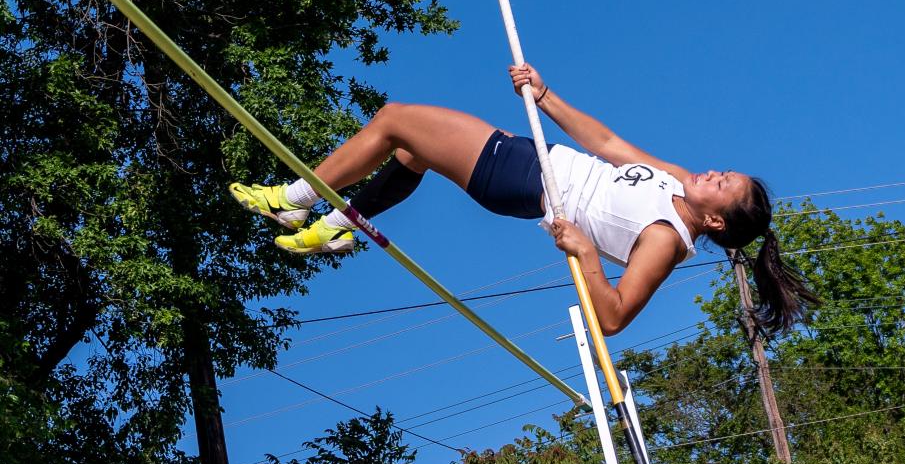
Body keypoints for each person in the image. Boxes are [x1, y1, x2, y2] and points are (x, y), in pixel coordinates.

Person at [230, 64, 816, 336]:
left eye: (723, 184)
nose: (713, 173)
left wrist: (586, 251)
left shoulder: (667, 238)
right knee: (414, 154)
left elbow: (611, 319)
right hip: (533, 161)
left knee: (394, 121)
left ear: (714, 219)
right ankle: (337, 223)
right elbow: (608, 143)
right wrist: (546, 94)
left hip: (525, 180)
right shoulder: (676, 180)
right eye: (724, 171)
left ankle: (294, 198)